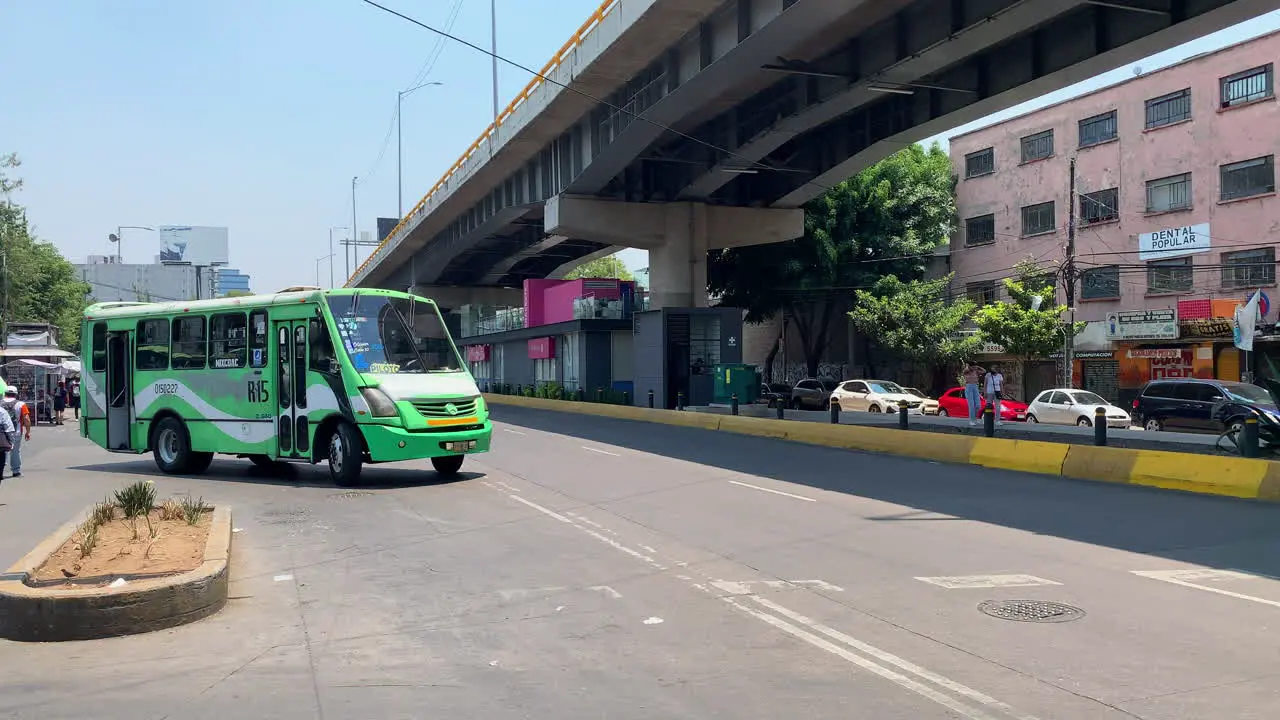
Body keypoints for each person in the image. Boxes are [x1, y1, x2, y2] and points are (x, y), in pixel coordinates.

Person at [2, 387, 29, 477]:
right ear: (16, 394)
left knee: (2, 451)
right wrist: (28, 432)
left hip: (1, 432)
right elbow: (26, 419)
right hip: (16, 431)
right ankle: (16, 471)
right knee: (15, 451)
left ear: (5, 394)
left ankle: (1, 470)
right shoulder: (21, 404)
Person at [961, 361, 985, 426]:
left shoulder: (975, 371)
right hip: (969, 387)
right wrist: (969, 366)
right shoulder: (967, 370)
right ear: (971, 366)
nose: (975, 367)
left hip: (975, 386)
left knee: (978, 405)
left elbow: (984, 371)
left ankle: (974, 418)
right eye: (974, 365)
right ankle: (972, 420)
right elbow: (965, 371)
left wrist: (978, 367)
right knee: (971, 405)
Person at [0, 396, 15, 483]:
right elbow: (8, 427)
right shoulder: (2, 411)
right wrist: (11, 441)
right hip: (1, 436)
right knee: (1, 454)